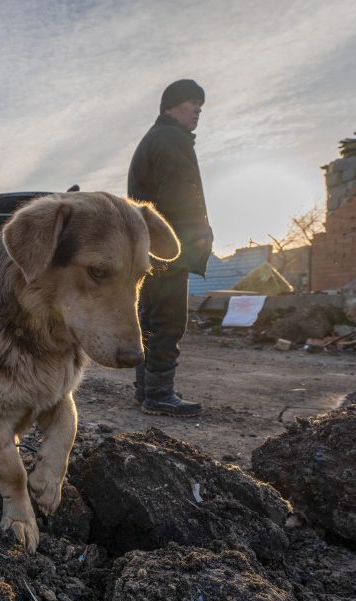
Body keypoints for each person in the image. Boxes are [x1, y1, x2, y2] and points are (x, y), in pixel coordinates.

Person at [127, 78, 214, 417]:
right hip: (169, 248)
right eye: (192, 103)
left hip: (151, 247)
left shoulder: (154, 139)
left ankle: (145, 389)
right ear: (170, 106)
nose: (197, 110)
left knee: (149, 318)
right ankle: (159, 394)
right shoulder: (170, 139)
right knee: (168, 319)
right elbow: (180, 198)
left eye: (200, 106)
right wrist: (195, 240)